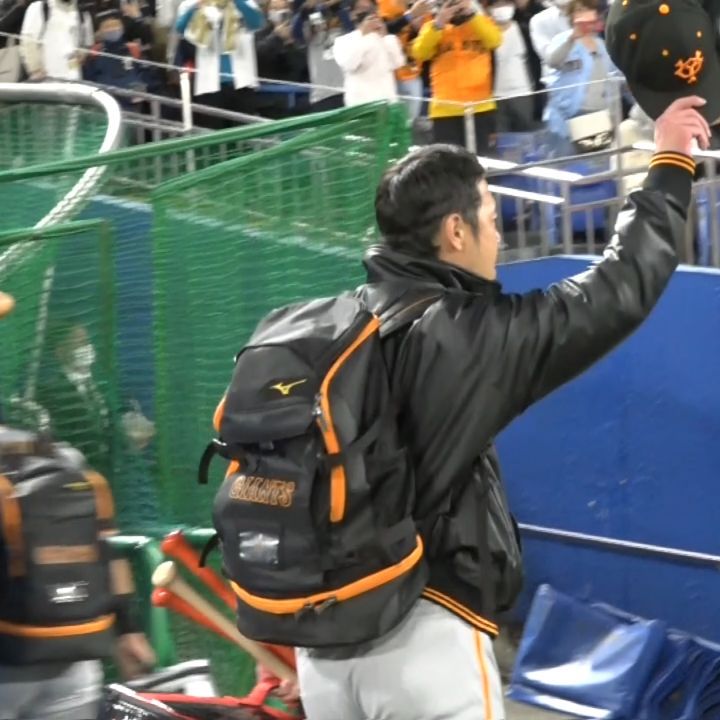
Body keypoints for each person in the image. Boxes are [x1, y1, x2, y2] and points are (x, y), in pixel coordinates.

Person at [294, 96, 710, 720]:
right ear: (455, 232)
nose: (499, 234)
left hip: (319, 647)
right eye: (490, 217)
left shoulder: (327, 328)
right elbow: (620, 286)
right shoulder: (468, 334)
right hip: (421, 637)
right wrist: (670, 160)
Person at [412, 0, 502, 151]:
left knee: (482, 158)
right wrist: (439, 22)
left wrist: (471, 15)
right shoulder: (432, 27)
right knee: (448, 160)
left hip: (480, 106)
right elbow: (420, 53)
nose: (455, 8)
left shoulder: (481, 22)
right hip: (445, 109)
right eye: (451, 4)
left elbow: (495, 40)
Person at [332, 0, 405, 105]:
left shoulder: (387, 39)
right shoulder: (343, 41)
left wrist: (384, 37)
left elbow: (398, 63)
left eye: (370, 9)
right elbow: (350, 64)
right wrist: (364, 34)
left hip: (388, 103)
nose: (367, 13)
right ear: (352, 14)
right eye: (361, 8)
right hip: (361, 106)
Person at [488, 0, 537, 132]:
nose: (502, 8)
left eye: (506, 4)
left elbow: (535, 60)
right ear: (490, 8)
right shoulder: (486, 34)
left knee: (526, 134)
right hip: (497, 95)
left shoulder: (524, 30)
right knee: (501, 136)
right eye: (497, 5)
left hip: (523, 92)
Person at [19, 0, 94, 80]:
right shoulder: (40, 7)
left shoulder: (82, 12)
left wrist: (82, 55)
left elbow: (87, 42)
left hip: (73, 76)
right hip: (45, 76)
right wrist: (35, 69)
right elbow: (28, 42)